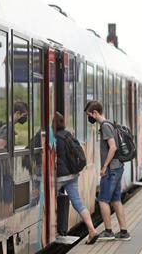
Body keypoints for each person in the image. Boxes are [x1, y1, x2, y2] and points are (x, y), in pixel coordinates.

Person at [84, 100, 131, 241]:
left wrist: (104, 166)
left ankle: (108, 231)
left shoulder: (105, 126)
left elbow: (113, 147)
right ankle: (123, 232)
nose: (89, 118)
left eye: (89, 115)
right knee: (116, 200)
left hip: (111, 169)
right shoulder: (111, 123)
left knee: (103, 200)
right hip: (118, 167)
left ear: (95, 113)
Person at [53, 112, 99, 244]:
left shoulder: (53, 137)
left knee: (49, 202)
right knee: (78, 203)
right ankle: (92, 230)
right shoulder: (68, 135)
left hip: (60, 176)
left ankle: (53, 231)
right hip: (73, 174)